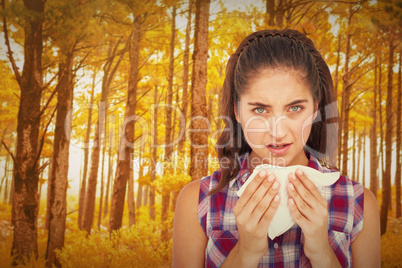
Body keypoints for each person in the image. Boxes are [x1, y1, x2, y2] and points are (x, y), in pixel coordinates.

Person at [172, 29, 380, 267]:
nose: (278, 132)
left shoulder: (359, 204)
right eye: (260, 110)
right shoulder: (198, 202)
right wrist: (245, 252)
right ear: (237, 111)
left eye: (295, 108)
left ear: (315, 108)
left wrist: (322, 252)